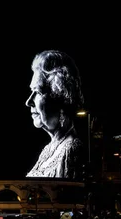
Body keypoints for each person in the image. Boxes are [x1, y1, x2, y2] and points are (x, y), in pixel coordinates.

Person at [25, 49, 85, 180]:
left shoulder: (70, 149)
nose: (28, 102)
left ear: (60, 98)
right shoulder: (49, 148)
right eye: (31, 91)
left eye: (38, 92)